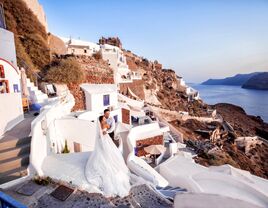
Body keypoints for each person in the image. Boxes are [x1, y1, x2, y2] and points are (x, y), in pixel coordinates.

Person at [85, 116, 131, 197]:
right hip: (104, 142)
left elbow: (110, 127)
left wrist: (108, 128)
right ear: (100, 121)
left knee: (113, 157)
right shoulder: (101, 127)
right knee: (107, 161)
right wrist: (105, 133)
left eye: (104, 119)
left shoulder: (105, 124)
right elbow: (101, 138)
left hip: (107, 141)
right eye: (103, 119)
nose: (105, 120)